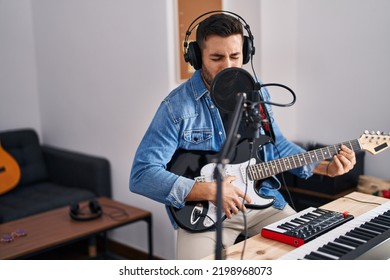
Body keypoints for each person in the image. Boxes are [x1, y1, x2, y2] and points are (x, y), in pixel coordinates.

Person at [130, 12, 356, 260]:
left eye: (235, 56)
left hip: (264, 202)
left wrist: (325, 169)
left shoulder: (257, 93)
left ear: (246, 53)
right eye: (216, 57)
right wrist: (207, 191)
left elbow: (276, 145)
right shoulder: (176, 107)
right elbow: (142, 174)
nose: (227, 67)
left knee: (311, 252)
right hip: (205, 214)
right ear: (196, 58)